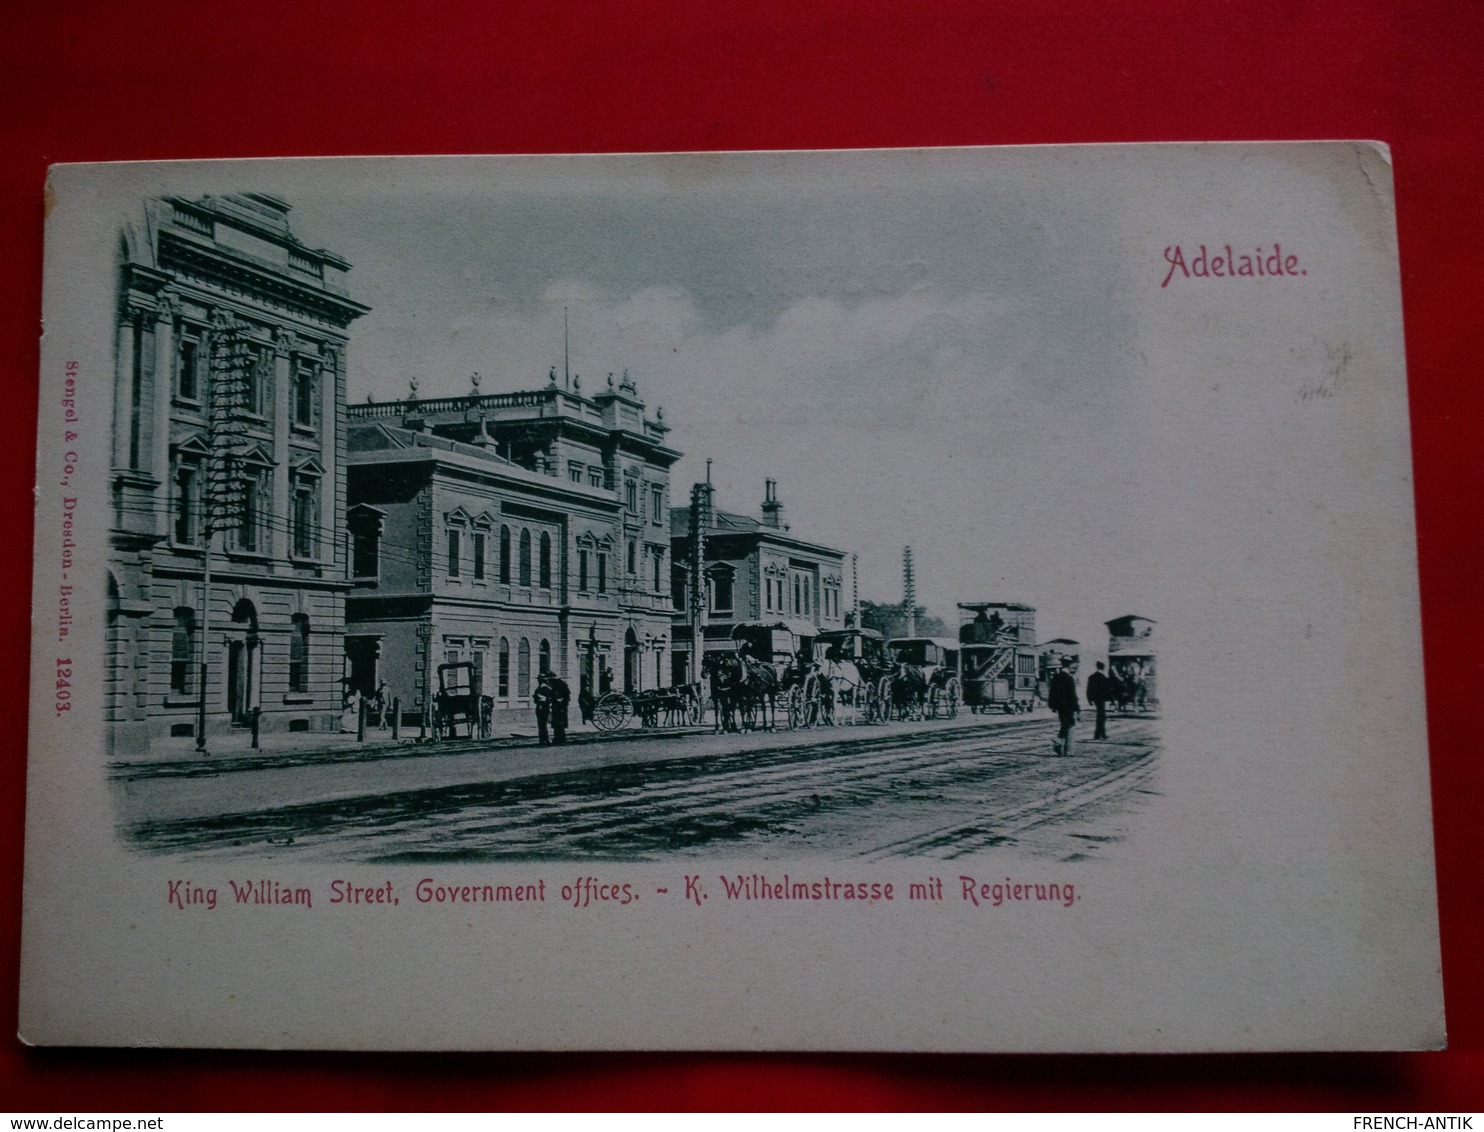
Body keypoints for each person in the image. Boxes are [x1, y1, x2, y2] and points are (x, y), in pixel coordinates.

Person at [1047, 656, 1080, 756]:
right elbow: (1073, 695)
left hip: (1059, 706)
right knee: (1069, 723)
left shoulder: (1056, 677)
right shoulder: (1070, 678)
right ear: (1069, 665)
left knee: (1064, 723)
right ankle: (1059, 740)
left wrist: (1052, 705)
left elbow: (1052, 692)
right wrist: (1077, 708)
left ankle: (1062, 749)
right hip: (1068, 705)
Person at [1086, 661, 1111, 740]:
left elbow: (1089, 689)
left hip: (1095, 699)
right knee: (1102, 716)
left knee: (1100, 716)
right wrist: (1111, 699)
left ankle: (1097, 734)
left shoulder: (1091, 677)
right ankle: (1102, 734)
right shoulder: (1104, 678)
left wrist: (1089, 699)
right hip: (1101, 699)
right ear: (1103, 668)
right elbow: (1108, 690)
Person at [548, 672, 571, 745]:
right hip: (557, 707)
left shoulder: (559, 685)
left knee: (559, 724)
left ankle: (560, 740)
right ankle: (558, 739)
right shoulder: (557, 684)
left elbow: (565, 696)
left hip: (560, 707)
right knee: (557, 724)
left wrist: (560, 701)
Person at [533, 672, 554, 746]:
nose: (540, 681)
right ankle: (542, 740)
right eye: (539, 679)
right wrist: (537, 698)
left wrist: (544, 699)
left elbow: (551, 698)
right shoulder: (538, 688)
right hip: (539, 708)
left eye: (541, 679)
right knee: (540, 725)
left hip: (545, 708)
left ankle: (545, 739)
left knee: (543, 725)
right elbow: (535, 699)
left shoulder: (546, 688)